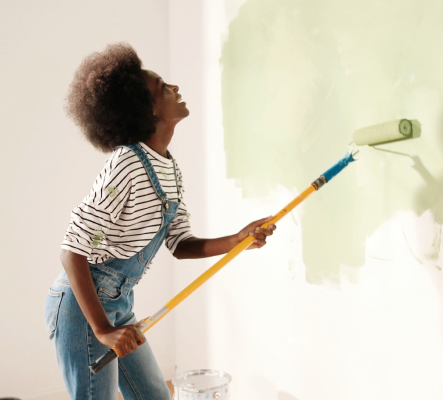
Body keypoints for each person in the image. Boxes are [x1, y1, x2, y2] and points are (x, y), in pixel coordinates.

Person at [45, 43, 275, 400]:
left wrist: (237, 239)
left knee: (155, 395)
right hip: (83, 307)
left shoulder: (169, 168)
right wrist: (103, 329)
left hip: (118, 307)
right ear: (146, 109)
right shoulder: (126, 164)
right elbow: (71, 252)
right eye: (163, 87)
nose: (176, 88)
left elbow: (180, 244)